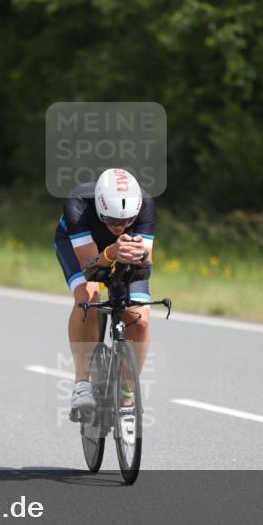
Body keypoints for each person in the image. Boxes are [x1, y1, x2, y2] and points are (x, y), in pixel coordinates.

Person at [54, 168, 156, 419]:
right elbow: (89, 266)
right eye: (111, 221)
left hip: (119, 252)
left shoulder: (144, 205)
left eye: (126, 222)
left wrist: (139, 256)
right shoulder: (78, 202)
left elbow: (146, 263)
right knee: (88, 298)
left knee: (140, 320)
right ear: (100, 210)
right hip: (79, 247)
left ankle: (128, 391)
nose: (119, 227)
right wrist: (111, 253)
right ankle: (81, 383)